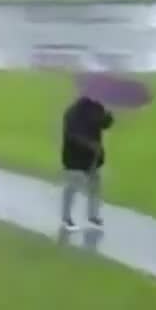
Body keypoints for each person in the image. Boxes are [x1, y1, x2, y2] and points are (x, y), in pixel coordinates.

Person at [61, 96, 113, 230]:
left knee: (95, 187)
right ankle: (67, 217)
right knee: (72, 188)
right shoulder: (73, 114)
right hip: (74, 158)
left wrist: (109, 117)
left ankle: (93, 215)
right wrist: (90, 145)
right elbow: (72, 136)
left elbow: (104, 124)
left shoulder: (96, 108)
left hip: (92, 159)